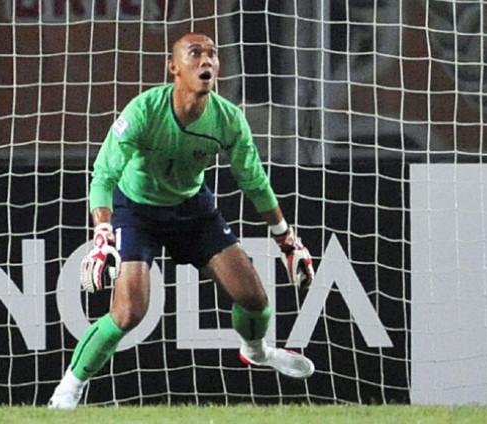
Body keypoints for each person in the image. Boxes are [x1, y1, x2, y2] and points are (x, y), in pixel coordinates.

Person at [48, 32, 316, 409]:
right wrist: (103, 235)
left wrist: (287, 240)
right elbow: (104, 175)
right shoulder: (144, 111)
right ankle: (69, 388)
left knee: (254, 298)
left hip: (192, 208)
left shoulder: (227, 119)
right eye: (195, 54)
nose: (206, 60)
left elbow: (254, 182)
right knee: (128, 313)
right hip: (137, 209)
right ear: (174, 67)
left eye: (212, 54)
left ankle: (256, 351)